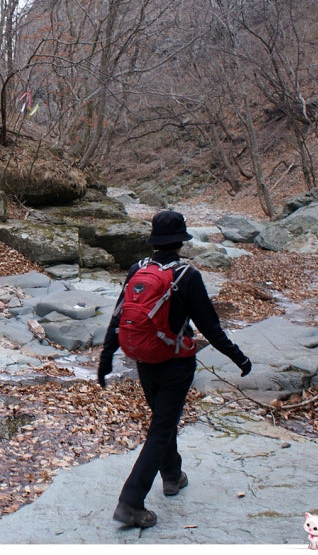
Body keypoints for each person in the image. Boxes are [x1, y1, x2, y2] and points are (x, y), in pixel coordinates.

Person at [97, 210, 252, 529]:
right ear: (181, 241)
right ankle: (130, 503)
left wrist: (107, 355)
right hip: (176, 364)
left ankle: (172, 475)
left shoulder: (138, 269)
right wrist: (239, 357)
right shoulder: (187, 276)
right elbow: (210, 327)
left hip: (144, 361)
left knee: (163, 423)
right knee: (162, 428)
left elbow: (119, 315)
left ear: (154, 240)